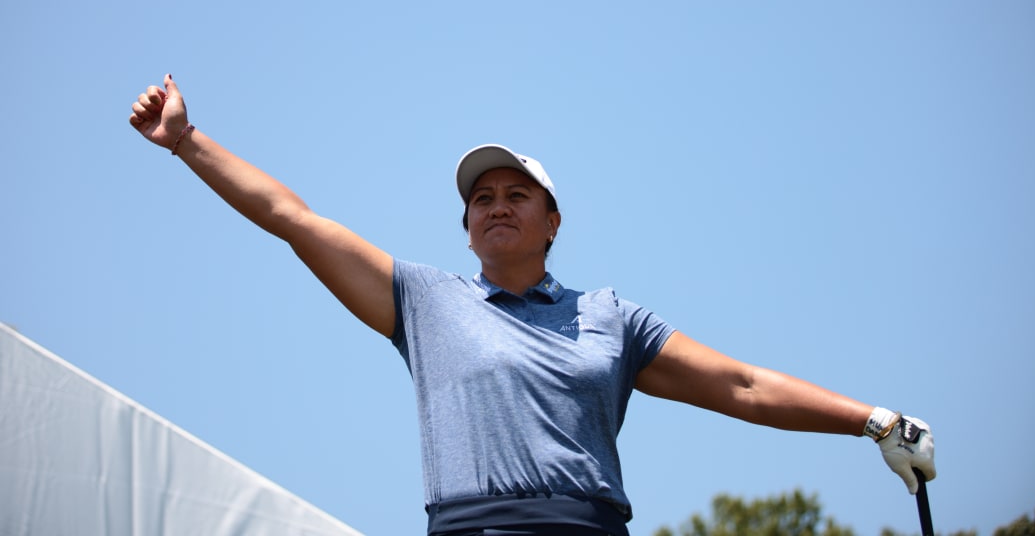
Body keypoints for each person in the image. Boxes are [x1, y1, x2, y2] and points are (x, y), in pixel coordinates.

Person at [130, 75, 936, 536]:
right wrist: (187, 140)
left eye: (519, 193)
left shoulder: (611, 318)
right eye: (482, 197)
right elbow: (291, 219)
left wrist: (873, 420)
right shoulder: (423, 301)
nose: (497, 205)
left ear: (553, 223)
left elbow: (742, 385)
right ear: (467, 225)